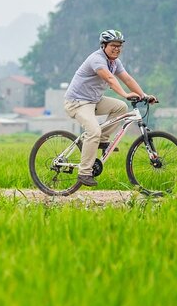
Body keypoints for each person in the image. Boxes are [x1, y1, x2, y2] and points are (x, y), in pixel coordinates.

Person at [64, 29, 157, 187]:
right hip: (77, 102)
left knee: (120, 107)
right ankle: (84, 172)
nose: (117, 49)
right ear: (104, 45)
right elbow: (109, 78)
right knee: (93, 131)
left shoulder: (115, 62)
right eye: (113, 45)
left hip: (94, 100)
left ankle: (102, 140)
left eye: (120, 46)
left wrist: (144, 95)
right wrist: (125, 94)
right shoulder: (97, 59)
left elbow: (127, 78)